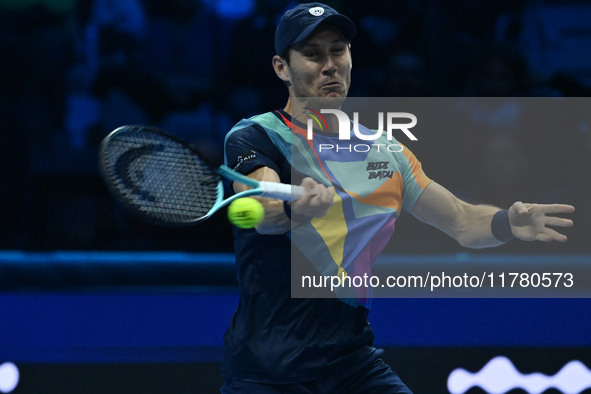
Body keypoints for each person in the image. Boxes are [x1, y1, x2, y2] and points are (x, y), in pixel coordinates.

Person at [221, 3, 575, 393]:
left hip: (352, 365)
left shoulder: (386, 151)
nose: (330, 65)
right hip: (266, 372)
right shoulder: (256, 136)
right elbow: (261, 211)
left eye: (338, 50)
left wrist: (507, 222)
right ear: (281, 68)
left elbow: (461, 221)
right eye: (312, 54)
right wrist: (295, 210)